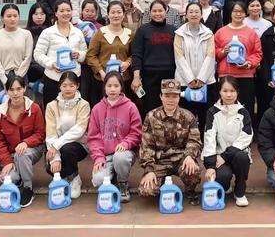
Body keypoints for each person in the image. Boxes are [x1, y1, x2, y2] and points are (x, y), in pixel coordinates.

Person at [138, 79, 202, 205]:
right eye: (167, 96)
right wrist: (149, 170)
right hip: (159, 161)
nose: (170, 100)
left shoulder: (188, 116)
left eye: (174, 96)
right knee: (146, 190)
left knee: (193, 172)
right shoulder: (151, 116)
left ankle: (190, 190)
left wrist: (189, 156)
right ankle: (161, 187)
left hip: (181, 160)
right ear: (161, 96)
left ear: (179, 97)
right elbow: (146, 145)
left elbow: (195, 140)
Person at [88, 71, 142, 203]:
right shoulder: (97, 109)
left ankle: (123, 183)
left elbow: (136, 132)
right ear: (104, 87)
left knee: (120, 158)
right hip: (105, 155)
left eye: (116, 86)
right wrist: (99, 157)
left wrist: (126, 143)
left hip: (125, 152)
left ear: (121, 87)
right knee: (98, 179)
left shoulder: (130, 107)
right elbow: (93, 137)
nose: (112, 89)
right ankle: (111, 178)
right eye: (109, 85)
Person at [0, 74, 45, 207]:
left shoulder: (34, 108)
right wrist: (7, 161)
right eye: (11, 89)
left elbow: (41, 134)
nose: (15, 93)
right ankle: (19, 179)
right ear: (6, 91)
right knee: (8, 178)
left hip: (33, 149)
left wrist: (26, 143)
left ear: (24, 89)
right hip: (11, 154)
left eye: (19, 89)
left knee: (22, 154)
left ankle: (28, 188)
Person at [202, 77, 253, 207]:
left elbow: (246, 136)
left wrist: (226, 155)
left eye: (232, 91)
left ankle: (240, 191)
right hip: (219, 157)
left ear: (237, 92)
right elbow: (209, 138)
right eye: (225, 91)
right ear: (219, 92)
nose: (229, 94)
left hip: (236, 155)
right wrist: (210, 166)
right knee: (222, 178)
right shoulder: (212, 112)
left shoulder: (243, 112)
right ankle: (225, 184)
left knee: (242, 157)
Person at [33, 0, 87, 107]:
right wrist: (51, 64)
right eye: (62, 11)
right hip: (53, 79)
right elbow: (38, 54)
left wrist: (79, 55)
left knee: (74, 111)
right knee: (53, 112)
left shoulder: (78, 32)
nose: (65, 13)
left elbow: (84, 51)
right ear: (56, 13)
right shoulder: (48, 32)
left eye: (68, 10)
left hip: (74, 79)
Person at [45, 72, 90, 199]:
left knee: (67, 148)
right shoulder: (51, 106)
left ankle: (74, 178)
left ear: (77, 86)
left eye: (71, 85)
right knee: (50, 165)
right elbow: (50, 133)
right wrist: (56, 158)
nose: (68, 89)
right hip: (57, 146)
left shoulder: (84, 104)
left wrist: (56, 146)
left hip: (78, 145)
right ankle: (63, 178)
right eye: (64, 85)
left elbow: (79, 130)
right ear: (59, 86)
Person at [174, 2, 217, 137]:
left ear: (201, 14)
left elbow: (211, 57)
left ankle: (206, 143)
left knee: (206, 115)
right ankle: (187, 142)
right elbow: (179, 58)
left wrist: (201, 79)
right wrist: (190, 79)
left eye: (196, 11)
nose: (193, 14)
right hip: (185, 83)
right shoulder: (179, 34)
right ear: (186, 15)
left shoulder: (209, 34)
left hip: (206, 82)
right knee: (186, 116)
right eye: (190, 12)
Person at [214, 1, 262, 121]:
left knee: (245, 107)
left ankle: (246, 134)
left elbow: (258, 53)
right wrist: (222, 52)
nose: (238, 14)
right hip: (226, 74)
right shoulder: (221, 32)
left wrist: (249, 63)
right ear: (230, 13)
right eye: (235, 11)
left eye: (241, 12)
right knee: (226, 107)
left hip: (246, 75)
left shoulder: (251, 33)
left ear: (245, 14)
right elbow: (213, 52)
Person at [132, 0, 176, 116]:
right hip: (149, 78)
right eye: (154, 11)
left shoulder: (173, 30)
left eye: (160, 10)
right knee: (150, 110)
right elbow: (137, 55)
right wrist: (136, 77)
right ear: (150, 13)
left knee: (168, 110)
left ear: (166, 11)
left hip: (170, 77)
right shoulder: (143, 30)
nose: (157, 13)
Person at [87, 1, 134, 106]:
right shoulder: (100, 33)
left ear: (123, 14)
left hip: (124, 80)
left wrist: (127, 63)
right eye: (113, 12)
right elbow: (91, 55)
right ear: (108, 15)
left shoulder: (130, 33)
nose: (116, 15)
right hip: (103, 80)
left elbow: (135, 54)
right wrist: (101, 72)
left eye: (119, 12)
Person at [242, 0, 273, 129]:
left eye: (258, 5)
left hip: (263, 66)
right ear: (247, 8)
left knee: (263, 99)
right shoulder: (242, 22)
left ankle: (262, 128)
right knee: (247, 100)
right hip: (245, 66)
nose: (255, 8)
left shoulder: (268, 24)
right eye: (252, 5)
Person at [0, 4, 33, 93]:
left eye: (15, 16)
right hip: (0, 78)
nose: (12, 19)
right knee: (1, 106)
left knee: (22, 105)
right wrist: (5, 80)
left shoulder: (26, 34)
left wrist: (18, 78)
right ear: (2, 18)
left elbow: (28, 58)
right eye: (9, 16)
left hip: (21, 76)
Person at [78, 0, 103, 105]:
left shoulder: (101, 28)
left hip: (97, 67)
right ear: (82, 11)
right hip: (83, 67)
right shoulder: (75, 28)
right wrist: (80, 37)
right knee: (84, 95)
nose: (89, 13)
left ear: (96, 13)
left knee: (96, 96)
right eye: (86, 11)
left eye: (92, 11)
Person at [25, 3, 51, 101]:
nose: (39, 17)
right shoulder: (25, 33)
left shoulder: (52, 32)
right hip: (29, 73)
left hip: (48, 73)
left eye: (42, 14)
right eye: (35, 14)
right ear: (31, 16)